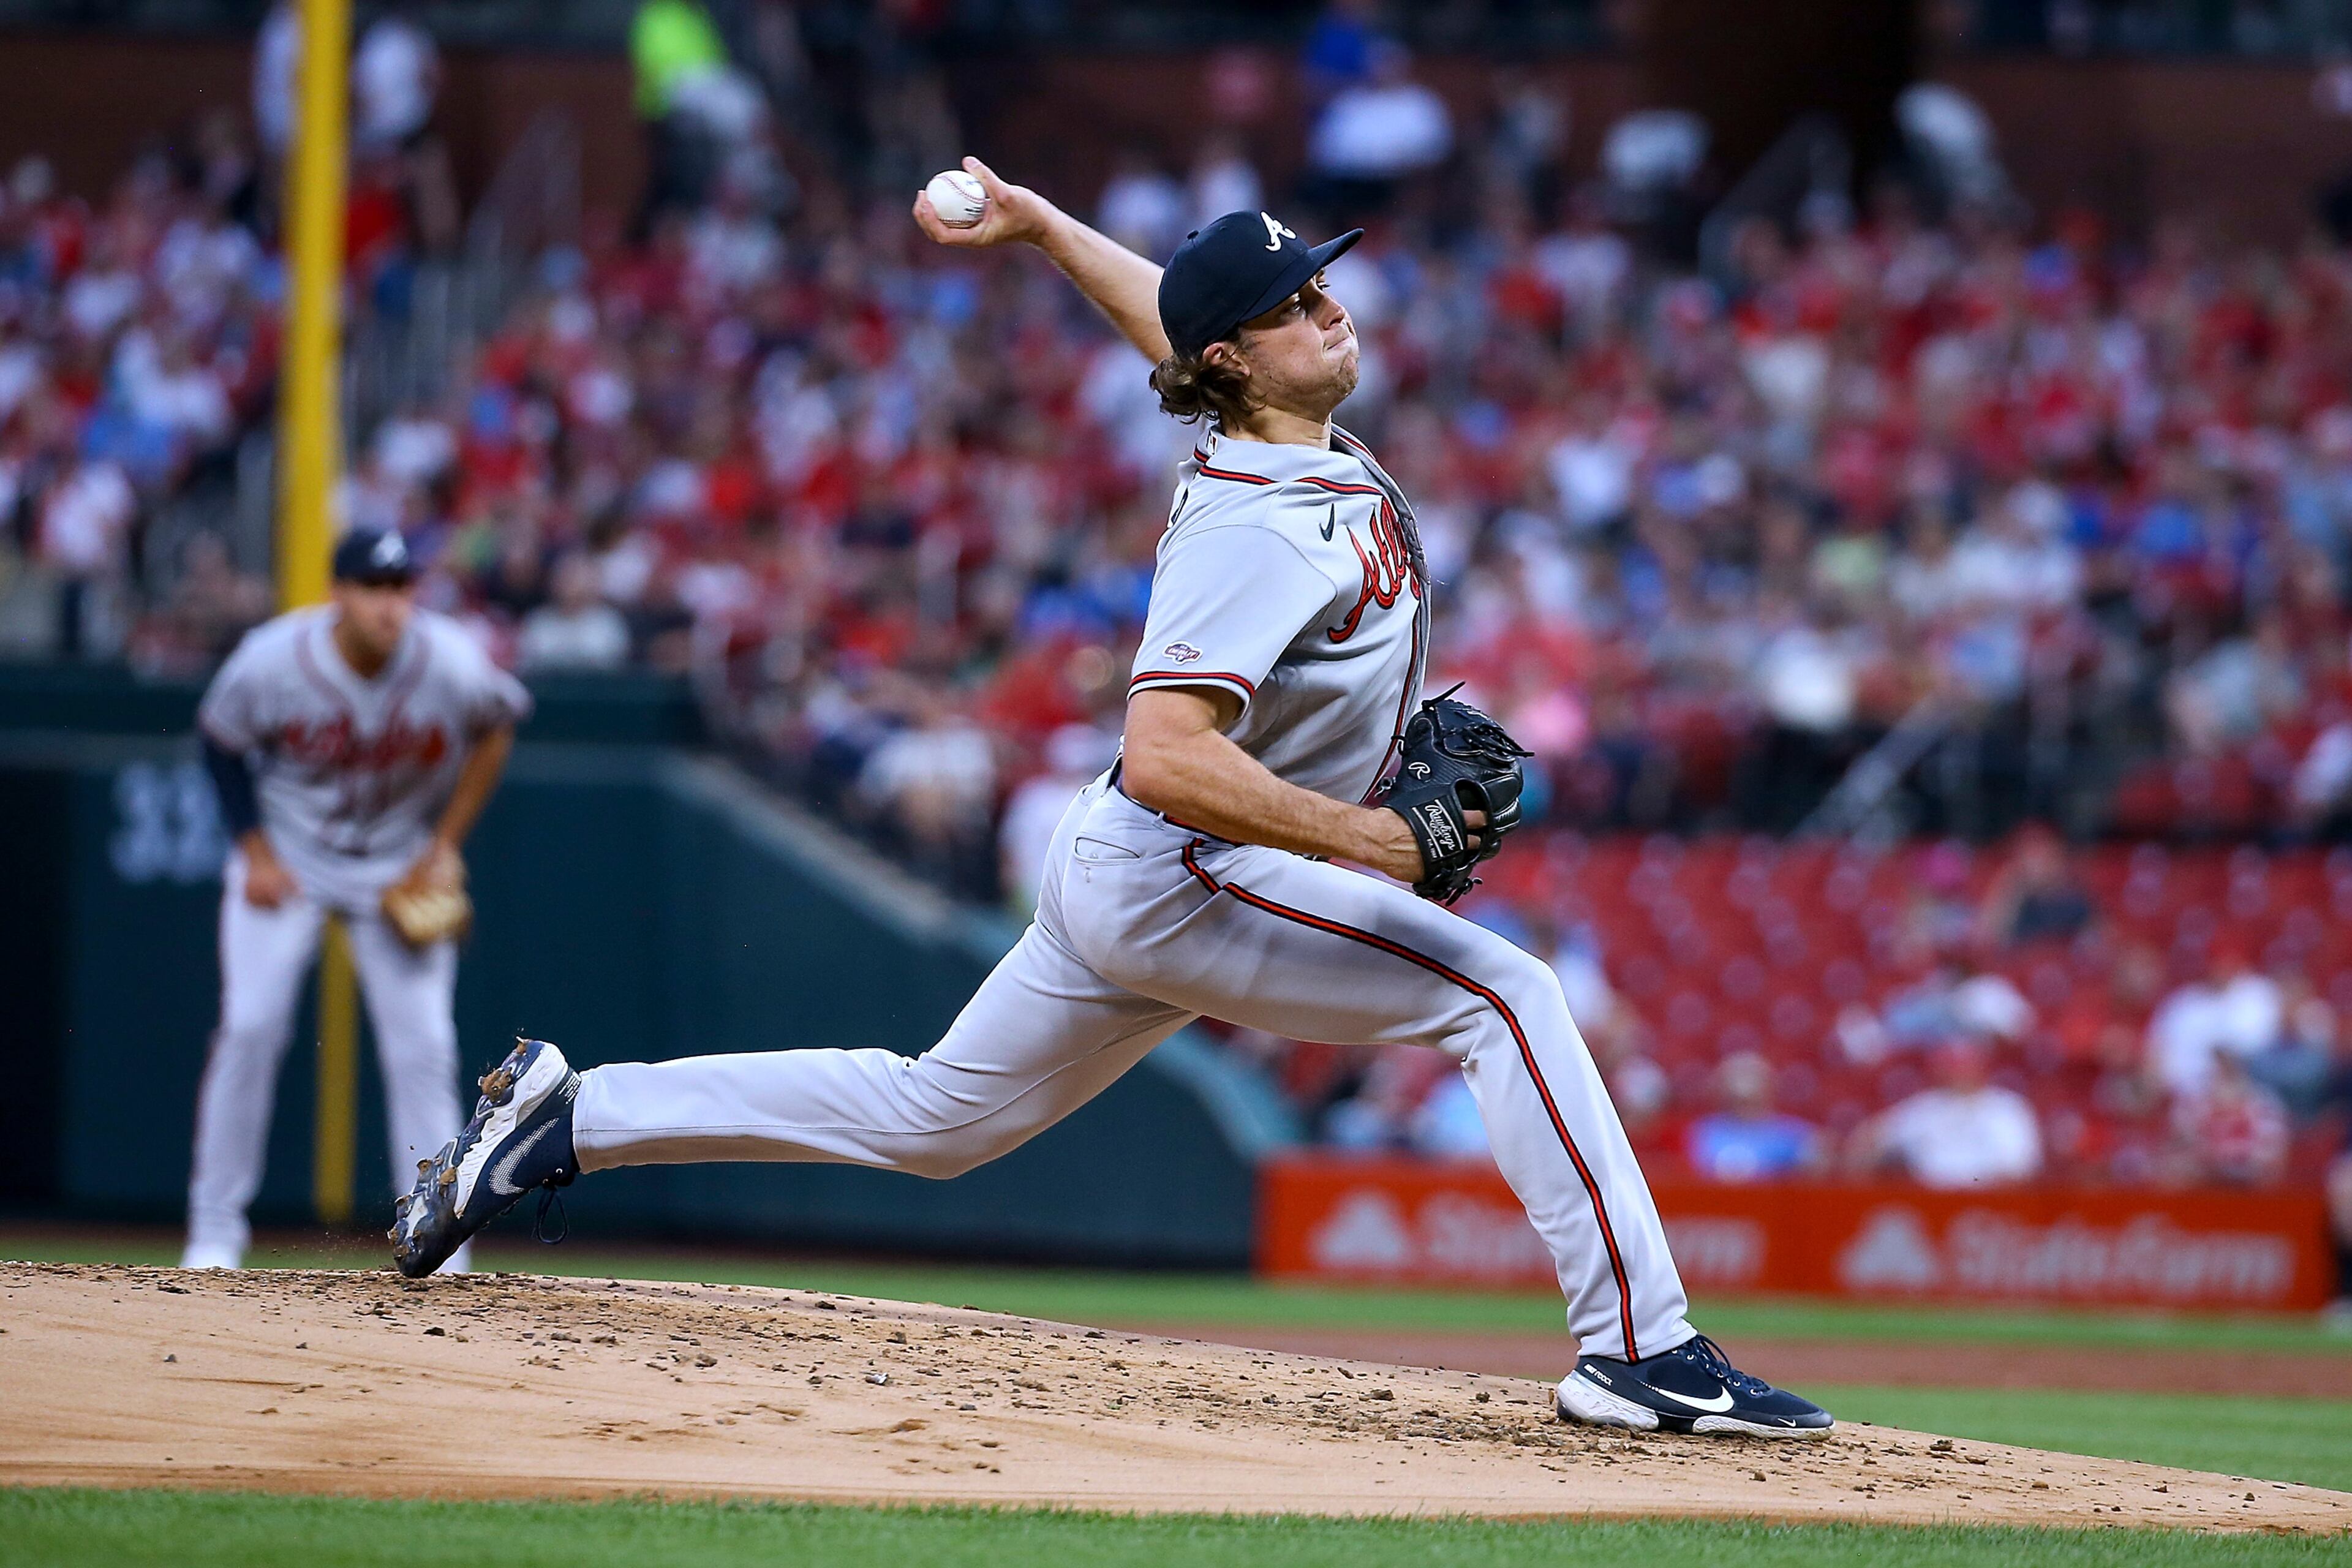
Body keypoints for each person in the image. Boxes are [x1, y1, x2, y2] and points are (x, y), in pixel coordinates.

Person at [391, 161, 1831, 1439]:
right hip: (1180, 859)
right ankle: (1639, 1348)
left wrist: (1037, 227)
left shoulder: (1262, 411)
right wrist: (1370, 839)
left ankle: (571, 1114)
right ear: (1239, 360)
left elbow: (1171, 313)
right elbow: (1163, 747)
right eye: (1292, 303)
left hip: (1129, 868)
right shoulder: (1253, 526)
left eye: (1315, 281)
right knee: (1502, 992)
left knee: (934, 1116)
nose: (1325, 306)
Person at [183, 528, 529, 1270]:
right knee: (249, 1027)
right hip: (292, 857)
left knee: (425, 1047)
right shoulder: (274, 658)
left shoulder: (448, 658)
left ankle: (443, 1243)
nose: (390, 604)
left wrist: (445, 846)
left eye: (402, 588)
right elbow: (220, 741)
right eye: (374, 587)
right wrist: (254, 851)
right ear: (338, 592)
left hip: (397, 865)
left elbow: (498, 724)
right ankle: (214, 1233)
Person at [1849, 1038, 2042, 1189]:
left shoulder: (2008, 1108)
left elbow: (2020, 1169)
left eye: (1964, 1066)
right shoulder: (1925, 1107)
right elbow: (1871, 1139)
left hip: (1991, 1206)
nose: (1958, 1074)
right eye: (1951, 1066)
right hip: (1928, 1204)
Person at [1685, 1052, 1823, 1183]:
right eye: (1738, 1100)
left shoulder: (1793, 1135)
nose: (1745, 1107)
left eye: (1751, 1101)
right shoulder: (1701, 1132)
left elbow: (1810, 1178)